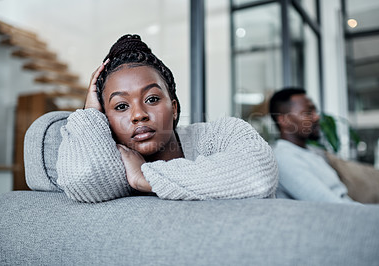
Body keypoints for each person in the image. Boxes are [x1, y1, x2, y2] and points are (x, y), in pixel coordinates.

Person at [56, 34, 278, 203]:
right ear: (106, 120)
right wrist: (91, 115)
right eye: (121, 106)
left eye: (152, 99)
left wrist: (145, 178)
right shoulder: (113, 163)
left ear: (173, 108)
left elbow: (258, 176)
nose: (139, 114)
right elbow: (80, 179)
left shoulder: (220, 133)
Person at [269, 88, 356, 203]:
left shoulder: (311, 152)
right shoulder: (283, 157)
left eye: (315, 111)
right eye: (308, 112)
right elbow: (329, 204)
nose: (316, 117)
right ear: (284, 120)